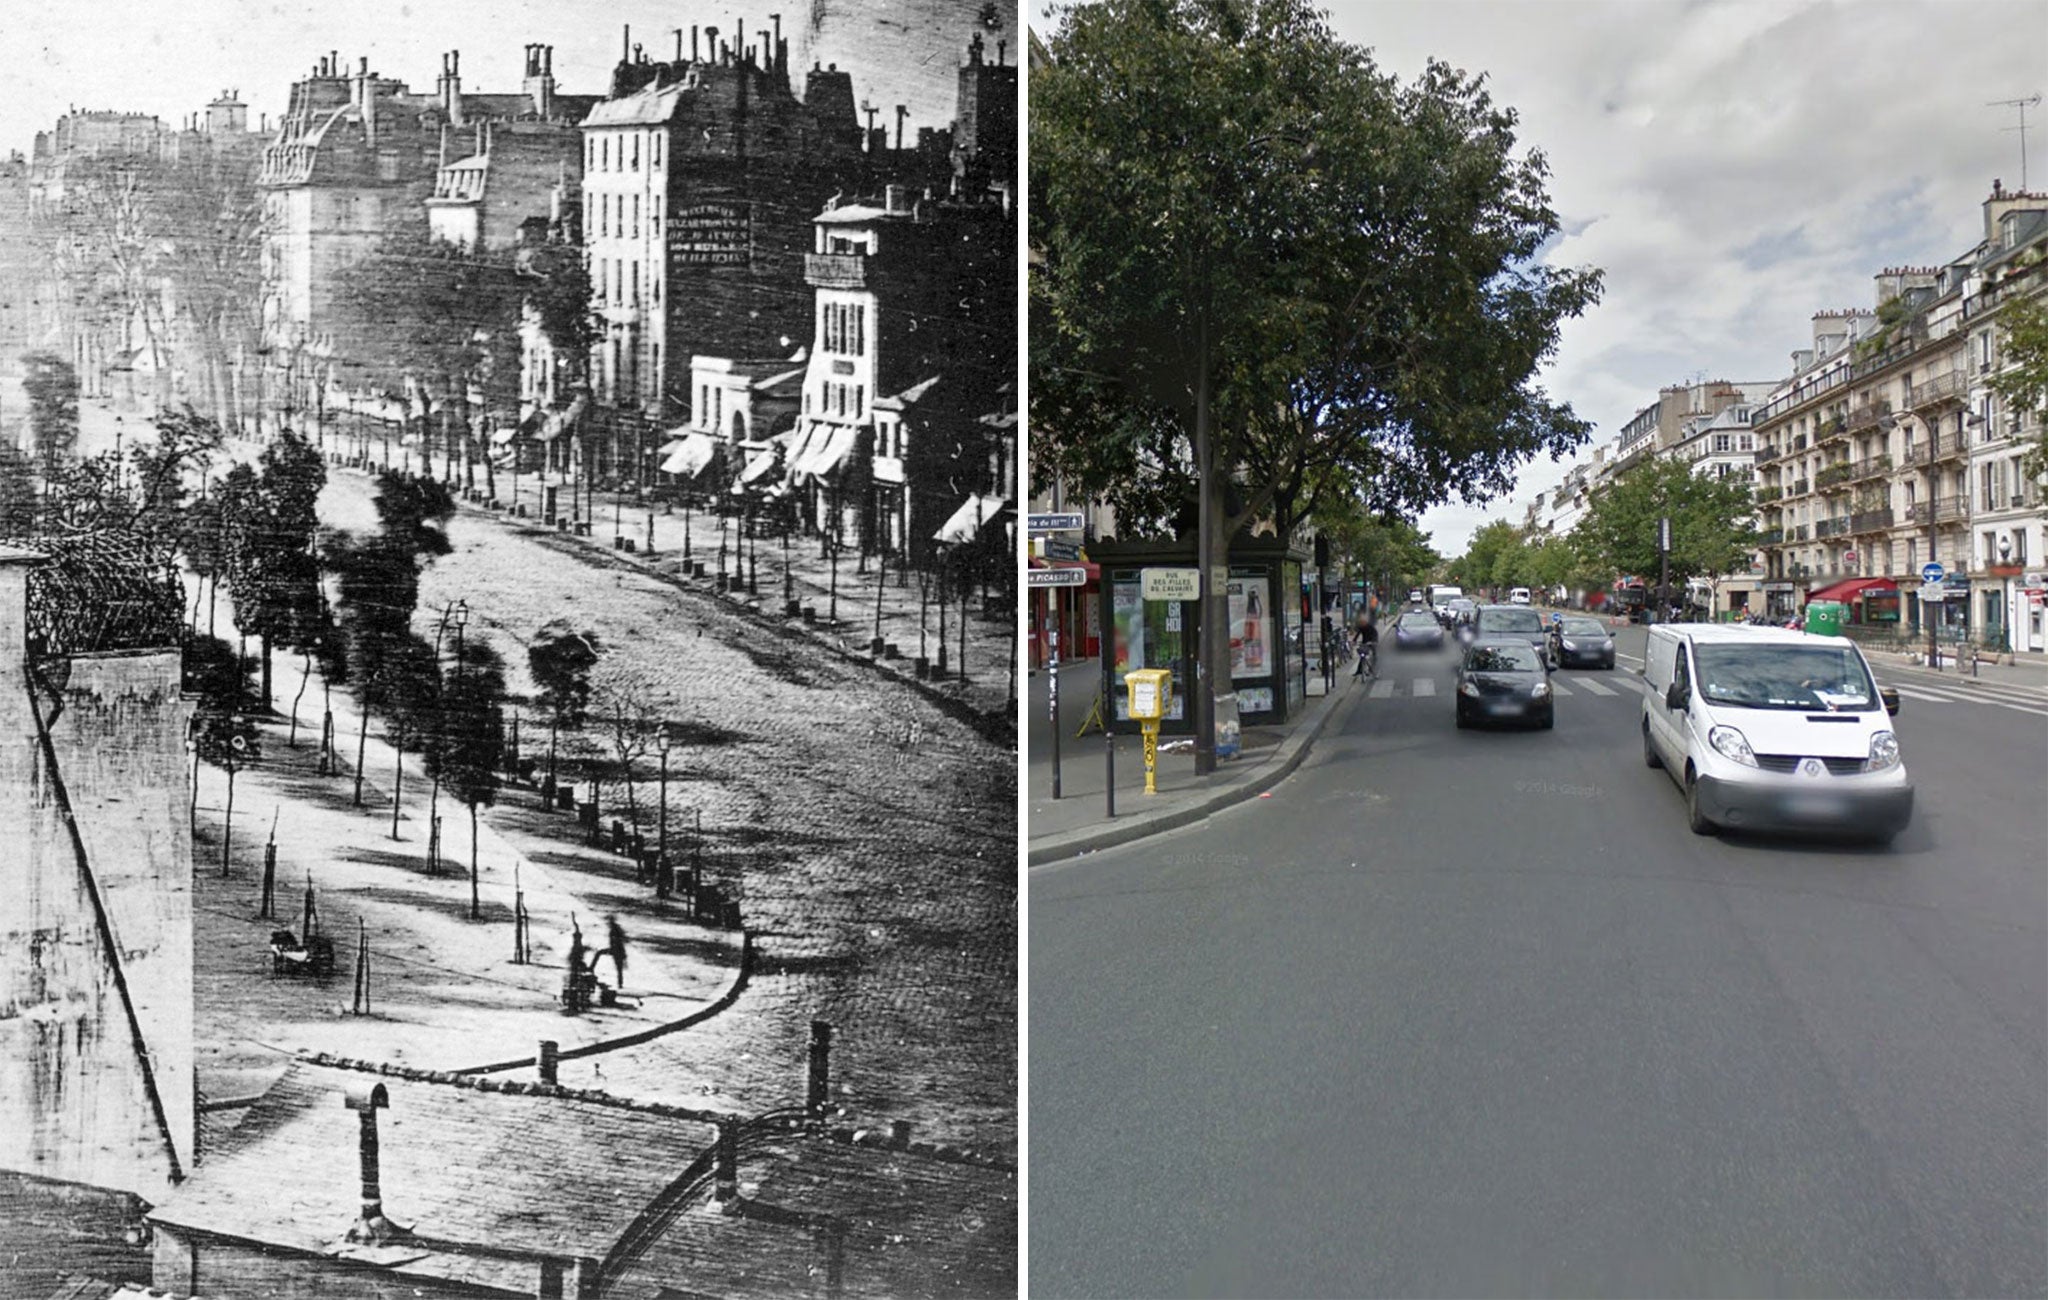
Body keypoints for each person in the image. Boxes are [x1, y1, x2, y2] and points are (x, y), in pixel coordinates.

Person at [603, 915, 628, 988]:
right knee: (619, 968)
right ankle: (620, 983)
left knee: (619, 967)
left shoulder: (615, 929)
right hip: (616, 950)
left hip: (617, 950)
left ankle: (620, 983)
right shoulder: (616, 928)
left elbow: (619, 940)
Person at [1352, 613, 1378, 679]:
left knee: (1373, 656)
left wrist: (1373, 641)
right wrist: (1354, 640)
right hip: (1364, 642)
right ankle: (1359, 671)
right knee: (1362, 656)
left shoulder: (1370, 627)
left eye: (1363, 622)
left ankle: (1373, 671)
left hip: (1372, 642)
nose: (1362, 624)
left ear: (1365, 622)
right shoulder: (1361, 627)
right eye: (1361, 622)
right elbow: (1358, 634)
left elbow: (1375, 634)